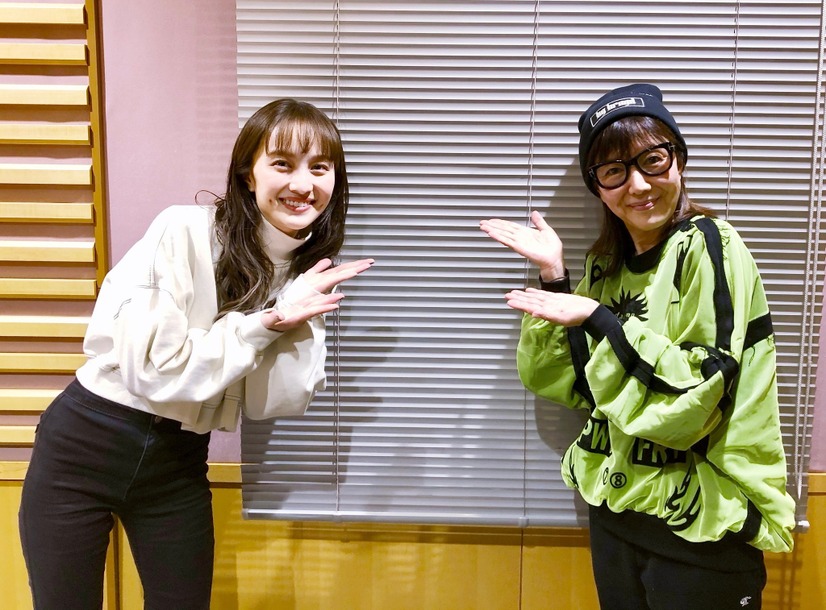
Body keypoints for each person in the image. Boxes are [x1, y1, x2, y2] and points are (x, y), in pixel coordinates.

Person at [19, 98, 374, 610]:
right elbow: (153, 371)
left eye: (320, 168)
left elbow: (273, 401)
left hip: (178, 458)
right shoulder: (183, 229)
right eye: (282, 163)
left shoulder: (304, 273)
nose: (303, 184)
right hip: (87, 442)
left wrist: (293, 318)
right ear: (248, 174)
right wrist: (264, 323)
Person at [480, 83, 795, 609]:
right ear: (597, 187)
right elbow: (575, 385)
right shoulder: (607, 264)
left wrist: (599, 318)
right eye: (614, 171)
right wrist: (555, 276)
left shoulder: (711, 244)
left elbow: (699, 394)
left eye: (653, 160)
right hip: (617, 510)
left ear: (678, 160)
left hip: (702, 524)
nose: (639, 184)